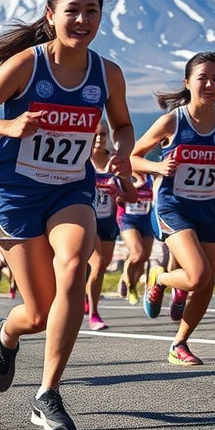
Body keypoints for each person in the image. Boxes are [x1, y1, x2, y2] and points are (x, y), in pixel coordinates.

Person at [0, 0, 134, 430]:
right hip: (15, 194)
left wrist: (123, 151)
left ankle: (47, 393)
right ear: (51, 16)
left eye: (92, 11)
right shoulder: (24, 66)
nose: (82, 19)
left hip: (70, 190)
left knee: (75, 265)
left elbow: (123, 125)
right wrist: (8, 128)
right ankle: (6, 333)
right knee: (36, 312)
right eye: (72, 10)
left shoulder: (107, 73)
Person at [132, 52, 215, 365]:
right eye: (202, 78)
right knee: (198, 275)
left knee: (206, 283)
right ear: (187, 83)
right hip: (174, 207)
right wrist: (158, 167)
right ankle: (158, 279)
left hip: (210, 208)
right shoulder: (173, 120)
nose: (210, 84)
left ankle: (179, 343)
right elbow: (134, 157)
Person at [85, 121, 134, 331]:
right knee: (97, 263)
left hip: (108, 221)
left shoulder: (115, 163)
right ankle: (94, 313)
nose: (99, 138)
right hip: (87, 219)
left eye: (103, 134)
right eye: (95, 134)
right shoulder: (82, 160)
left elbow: (132, 195)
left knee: (101, 266)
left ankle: (86, 296)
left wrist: (120, 194)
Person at [116, 171, 156, 306]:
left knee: (144, 257)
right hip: (127, 219)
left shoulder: (150, 177)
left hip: (146, 220)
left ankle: (132, 285)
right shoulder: (124, 176)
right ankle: (127, 282)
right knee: (137, 254)